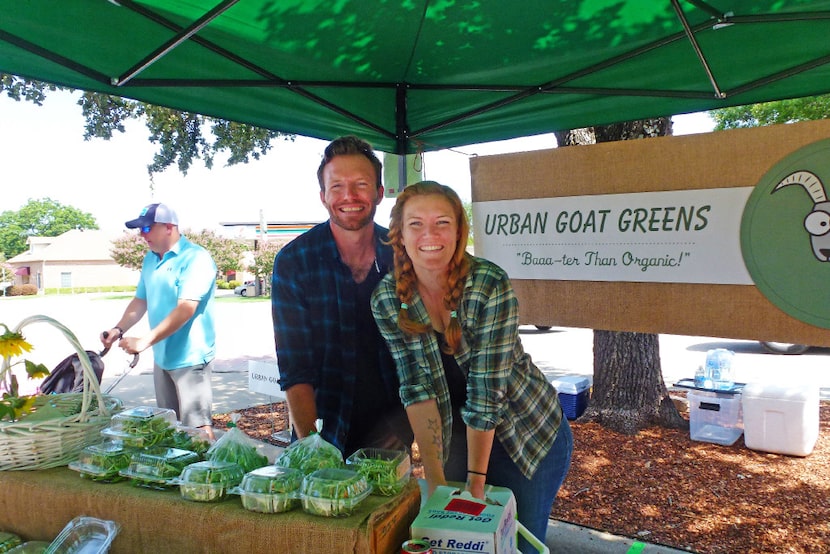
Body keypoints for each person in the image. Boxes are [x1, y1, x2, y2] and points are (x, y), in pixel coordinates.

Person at [371, 181, 573, 550]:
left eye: (442, 222)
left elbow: (486, 391)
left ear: (459, 231)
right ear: (398, 234)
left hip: (526, 435)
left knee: (516, 545)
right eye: (415, 224)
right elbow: (416, 390)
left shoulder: (487, 283)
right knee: (456, 542)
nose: (429, 234)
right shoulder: (387, 297)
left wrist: (475, 487)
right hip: (457, 439)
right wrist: (435, 483)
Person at [271, 135, 412, 457]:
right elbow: (295, 367)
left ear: (379, 193)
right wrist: (310, 449)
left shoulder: (403, 256)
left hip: (393, 435)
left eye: (361, 184)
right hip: (322, 431)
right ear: (323, 196)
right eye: (336, 186)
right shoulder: (295, 261)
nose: (349, 195)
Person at [102, 202, 217, 440]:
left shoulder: (196, 258)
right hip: (162, 356)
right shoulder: (150, 260)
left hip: (190, 359)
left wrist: (144, 341)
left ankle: (207, 474)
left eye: (146, 229)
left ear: (168, 227)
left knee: (198, 430)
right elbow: (140, 301)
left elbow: (186, 309)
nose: (142, 235)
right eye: (139, 230)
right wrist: (118, 329)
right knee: (169, 427)